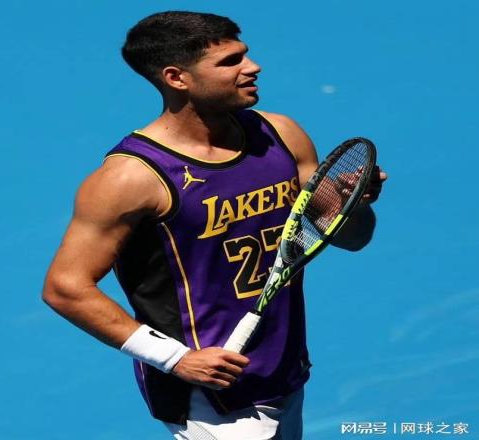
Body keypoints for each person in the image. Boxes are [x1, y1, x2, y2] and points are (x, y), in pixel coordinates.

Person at [42, 11, 387, 440]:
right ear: (177, 78)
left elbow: (354, 238)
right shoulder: (133, 178)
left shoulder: (279, 135)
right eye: (230, 61)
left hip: (282, 369)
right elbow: (65, 287)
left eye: (244, 54)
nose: (253, 67)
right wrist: (174, 359)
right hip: (209, 395)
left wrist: (352, 203)